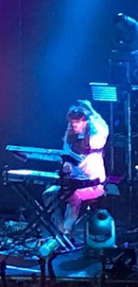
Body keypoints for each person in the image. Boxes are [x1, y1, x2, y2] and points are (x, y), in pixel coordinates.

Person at [44, 100, 109, 238]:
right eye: (72, 121)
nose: (74, 124)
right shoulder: (70, 137)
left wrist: (89, 109)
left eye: (77, 121)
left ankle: (66, 231)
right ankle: (62, 229)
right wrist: (66, 167)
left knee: (75, 196)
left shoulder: (96, 137)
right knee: (49, 194)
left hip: (93, 185)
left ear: (85, 121)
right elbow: (66, 156)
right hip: (73, 182)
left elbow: (102, 126)